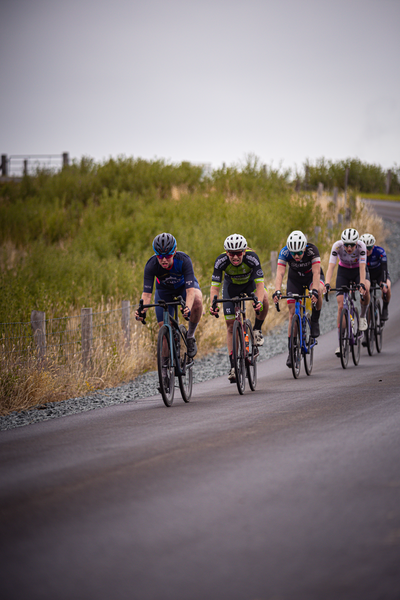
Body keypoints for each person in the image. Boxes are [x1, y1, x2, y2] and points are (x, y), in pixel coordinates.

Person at [209, 234, 269, 383]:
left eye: (238, 253)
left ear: (244, 251)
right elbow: (214, 287)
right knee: (230, 327)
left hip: (250, 285)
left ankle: (256, 329)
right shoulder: (220, 261)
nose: (235, 257)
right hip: (231, 288)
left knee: (266, 297)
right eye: (231, 254)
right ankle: (233, 366)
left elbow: (260, 285)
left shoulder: (252, 258)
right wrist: (213, 304)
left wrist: (259, 302)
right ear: (227, 253)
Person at [135, 233, 203, 358]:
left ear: (174, 252)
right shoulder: (151, 265)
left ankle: (190, 336)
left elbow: (190, 291)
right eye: (160, 256)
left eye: (168, 256)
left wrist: (187, 307)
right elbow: (146, 294)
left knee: (197, 300)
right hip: (164, 292)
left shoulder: (184, 260)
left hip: (184, 288)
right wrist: (141, 311)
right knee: (165, 330)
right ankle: (165, 371)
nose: (164, 260)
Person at [272, 230, 325, 368]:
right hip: (294, 280)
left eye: (299, 253)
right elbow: (280, 273)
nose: (296, 256)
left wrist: (313, 291)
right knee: (292, 314)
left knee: (318, 290)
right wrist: (277, 291)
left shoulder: (312, 250)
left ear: (304, 248)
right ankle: (291, 351)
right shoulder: (284, 252)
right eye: (293, 253)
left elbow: (316, 272)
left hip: (312, 278)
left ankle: (315, 320)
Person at [325, 227, 370, 357]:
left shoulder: (362, 246)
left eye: (352, 245)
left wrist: (361, 283)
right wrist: (327, 283)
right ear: (342, 243)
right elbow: (331, 267)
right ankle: (341, 342)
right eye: (346, 245)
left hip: (357, 271)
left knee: (365, 289)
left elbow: (362, 267)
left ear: (356, 243)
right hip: (343, 272)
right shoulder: (337, 247)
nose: (349, 248)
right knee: (340, 305)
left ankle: (362, 316)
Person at [360, 233, 391, 321]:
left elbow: (384, 268)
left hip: (379, 274)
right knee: (364, 293)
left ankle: (385, 308)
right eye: (364, 248)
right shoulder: (359, 253)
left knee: (387, 287)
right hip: (367, 275)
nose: (366, 251)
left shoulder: (380, 251)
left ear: (373, 246)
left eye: (369, 248)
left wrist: (383, 283)